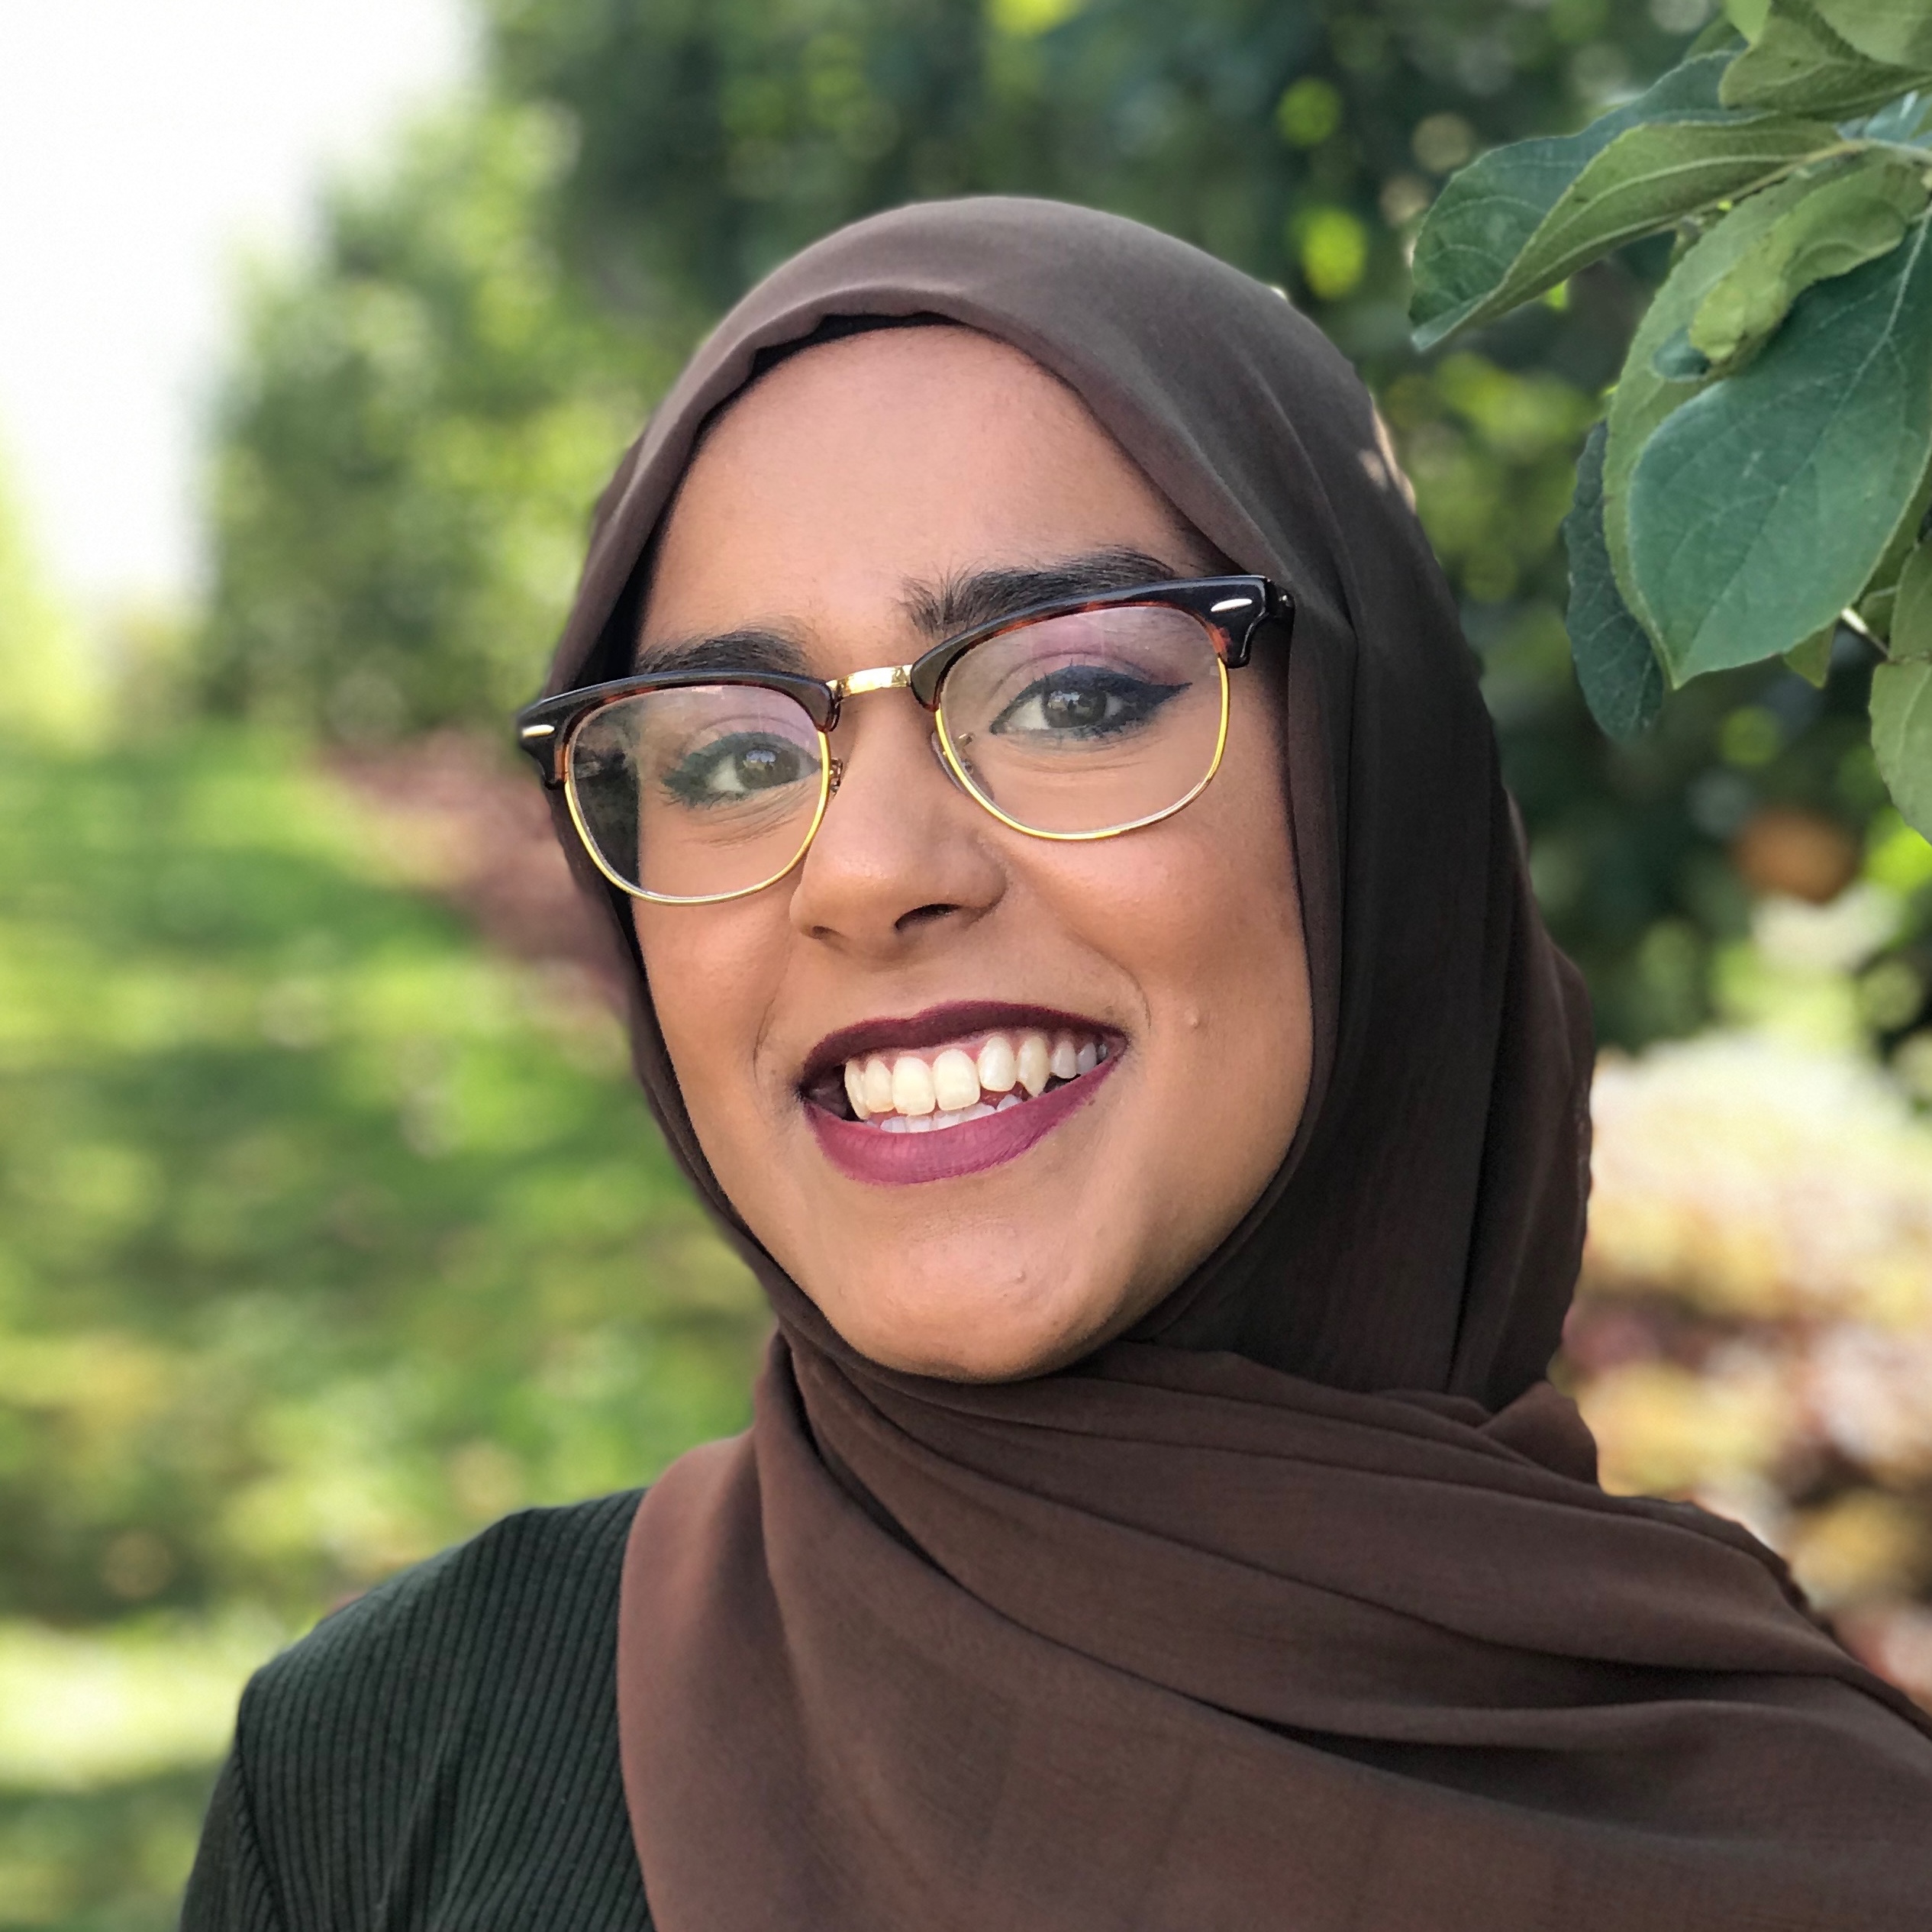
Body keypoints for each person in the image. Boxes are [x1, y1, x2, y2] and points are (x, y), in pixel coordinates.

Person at [181, 198, 1932, 1932]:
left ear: (1375, 803)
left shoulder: (1847, 1859)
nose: (865, 871)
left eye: (1075, 697)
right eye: (725, 758)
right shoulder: (401, 1770)